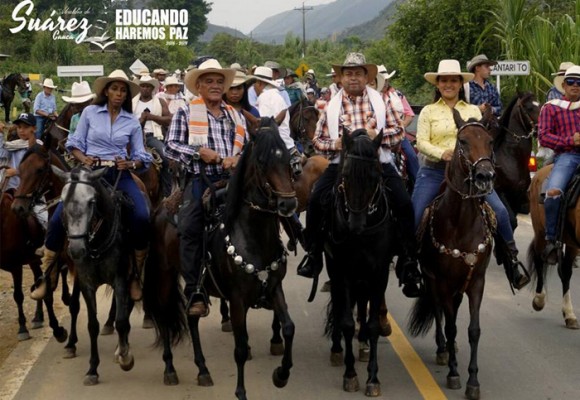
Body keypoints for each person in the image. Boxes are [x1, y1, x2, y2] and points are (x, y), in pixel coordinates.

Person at [297, 52, 422, 297]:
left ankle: (408, 260)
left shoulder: (381, 101)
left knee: (404, 203)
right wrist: (336, 144)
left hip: (378, 162)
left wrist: (372, 138)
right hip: (341, 165)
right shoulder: (330, 105)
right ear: (341, 78)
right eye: (348, 73)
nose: (353, 78)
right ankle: (313, 254)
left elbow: (398, 132)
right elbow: (317, 140)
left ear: (367, 77)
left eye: (358, 73)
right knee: (314, 202)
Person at [30, 70, 153, 301]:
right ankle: (48, 273)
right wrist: (83, 157)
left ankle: (136, 273)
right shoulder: (90, 112)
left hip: (119, 174)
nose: (118, 93)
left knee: (141, 216)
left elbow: (142, 156)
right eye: (114, 89)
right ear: (106, 91)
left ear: (126, 94)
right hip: (88, 172)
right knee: (59, 216)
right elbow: (74, 143)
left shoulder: (132, 121)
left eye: (122, 90)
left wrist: (131, 162)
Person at [412, 59, 529, 290]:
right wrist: (442, 153)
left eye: (453, 80)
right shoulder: (428, 111)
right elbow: (421, 141)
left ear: (460, 83)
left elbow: (481, 142)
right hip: (435, 171)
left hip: (470, 177)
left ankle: (512, 262)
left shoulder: (472, 110)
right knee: (416, 213)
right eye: (444, 80)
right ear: (437, 84)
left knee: (501, 213)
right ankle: (410, 265)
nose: (448, 84)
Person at [165, 59, 248, 317]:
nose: (215, 86)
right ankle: (194, 291)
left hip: (233, 180)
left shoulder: (235, 115)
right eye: (209, 81)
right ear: (198, 86)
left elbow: (246, 148)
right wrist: (199, 152)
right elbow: (171, 146)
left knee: (264, 213)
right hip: (201, 179)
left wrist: (239, 158)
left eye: (219, 82)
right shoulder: (186, 112)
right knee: (189, 228)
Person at [537, 65, 580, 263]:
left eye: (579, 82)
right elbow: (544, 137)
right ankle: (551, 240)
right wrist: (570, 141)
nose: (575, 85)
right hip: (567, 156)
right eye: (571, 82)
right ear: (563, 85)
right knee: (553, 192)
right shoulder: (552, 107)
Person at [249, 66, 303, 175]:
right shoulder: (277, 96)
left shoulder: (264, 97)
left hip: (274, 145)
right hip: (286, 142)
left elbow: (265, 125)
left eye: (254, 84)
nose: (254, 88)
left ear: (259, 83)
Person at [0, 113, 48, 235]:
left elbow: (36, 170)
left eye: (26, 127)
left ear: (34, 128)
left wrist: (16, 172)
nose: (21, 130)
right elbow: (2, 155)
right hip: (11, 188)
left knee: (45, 219)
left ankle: (48, 244)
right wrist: (0, 134)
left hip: (29, 191)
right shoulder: (13, 145)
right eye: (19, 127)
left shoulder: (39, 147)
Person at [378, 65, 419, 184]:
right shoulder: (371, 96)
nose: (384, 82)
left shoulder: (397, 94)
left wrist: (401, 127)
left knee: (411, 156)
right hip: (377, 135)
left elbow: (409, 114)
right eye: (382, 80)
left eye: (386, 80)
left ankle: (415, 184)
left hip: (398, 133)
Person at [133, 75, 173, 198]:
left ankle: (167, 193)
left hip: (152, 136)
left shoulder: (160, 102)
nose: (145, 89)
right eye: (143, 86)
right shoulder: (131, 102)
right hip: (133, 136)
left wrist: (152, 117)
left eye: (148, 86)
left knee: (166, 158)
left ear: (152, 88)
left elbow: (169, 119)